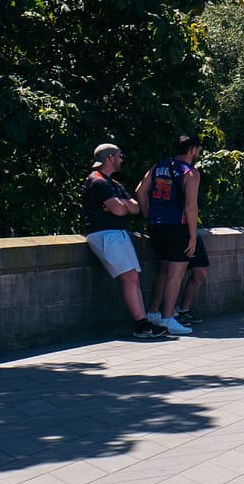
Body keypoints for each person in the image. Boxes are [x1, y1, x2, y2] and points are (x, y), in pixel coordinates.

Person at [83, 144, 169, 340]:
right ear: (111, 158)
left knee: (133, 278)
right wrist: (121, 205)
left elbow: (135, 207)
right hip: (105, 234)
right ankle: (141, 325)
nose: (122, 159)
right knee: (129, 277)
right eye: (120, 156)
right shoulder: (98, 182)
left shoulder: (113, 183)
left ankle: (143, 323)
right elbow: (121, 210)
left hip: (117, 233)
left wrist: (121, 205)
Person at [136, 134, 201, 336]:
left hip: (156, 225)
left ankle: (153, 312)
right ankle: (167, 318)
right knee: (176, 273)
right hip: (177, 225)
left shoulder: (159, 166)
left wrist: (148, 214)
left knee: (163, 269)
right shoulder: (190, 173)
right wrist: (192, 236)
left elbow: (140, 191)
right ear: (192, 150)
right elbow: (191, 208)